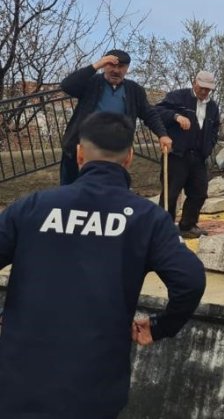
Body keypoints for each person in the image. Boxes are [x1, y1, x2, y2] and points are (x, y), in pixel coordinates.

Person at [0, 112, 206, 418]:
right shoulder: (147, 218)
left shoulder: (33, 206)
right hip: (95, 383)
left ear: (80, 153)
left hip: (19, 379)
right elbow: (189, 280)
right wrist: (161, 326)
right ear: (130, 158)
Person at [59, 49, 172, 185]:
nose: (116, 70)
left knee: (109, 195)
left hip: (115, 152)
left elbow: (149, 113)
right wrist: (96, 65)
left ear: (127, 68)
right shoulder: (91, 83)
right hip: (82, 150)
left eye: (121, 67)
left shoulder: (134, 90)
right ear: (104, 65)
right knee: (73, 192)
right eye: (111, 65)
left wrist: (162, 135)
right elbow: (67, 86)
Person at [155, 70, 221, 239]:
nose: (205, 92)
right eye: (202, 88)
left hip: (198, 156)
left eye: (208, 89)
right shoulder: (178, 97)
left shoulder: (212, 107)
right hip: (177, 154)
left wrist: (209, 146)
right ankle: (164, 228)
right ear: (194, 83)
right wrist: (176, 116)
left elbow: (214, 129)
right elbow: (157, 112)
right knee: (171, 193)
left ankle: (187, 225)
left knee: (199, 192)